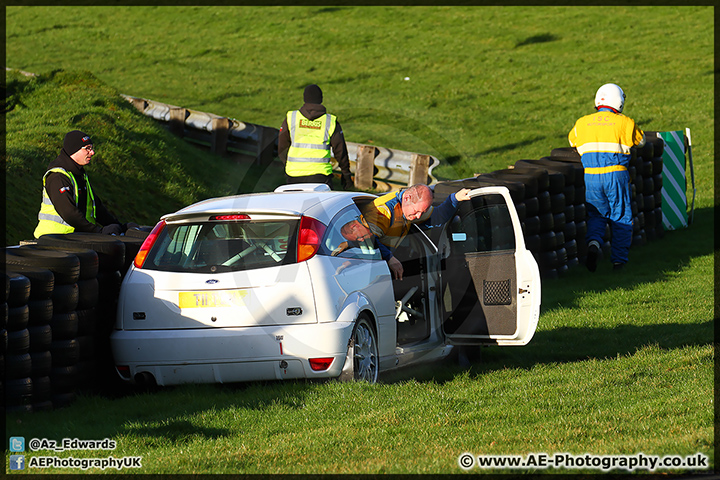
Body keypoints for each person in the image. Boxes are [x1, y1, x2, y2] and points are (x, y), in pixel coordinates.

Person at [568, 83, 646, 272]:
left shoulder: (582, 123)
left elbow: (572, 141)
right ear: (619, 101)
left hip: (591, 177)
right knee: (621, 217)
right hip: (616, 174)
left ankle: (594, 243)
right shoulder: (625, 122)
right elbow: (641, 142)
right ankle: (618, 262)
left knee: (597, 214)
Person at [358, 184, 472, 280]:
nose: (418, 216)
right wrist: (389, 258)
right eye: (417, 211)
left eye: (422, 212)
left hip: (378, 263)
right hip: (362, 264)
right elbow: (367, 239)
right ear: (407, 198)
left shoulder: (410, 207)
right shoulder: (382, 211)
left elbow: (437, 217)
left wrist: (455, 198)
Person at [34, 130, 125, 238]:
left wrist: (121, 227)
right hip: (53, 240)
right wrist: (98, 232)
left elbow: (97, 208)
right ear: (73, 150)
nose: (92, 152)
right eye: (87, 148)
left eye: (92, 148)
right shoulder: (58, 177)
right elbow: (69, 213)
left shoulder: (79, 174)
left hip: (73, 239)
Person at [278, 84, 353, 189]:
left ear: (304, 98)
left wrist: (289, 164)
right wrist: (346, 174)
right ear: (321, 99)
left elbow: (282, 146)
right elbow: (340, 151)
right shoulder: (330, 121)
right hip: (320, 176)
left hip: (294, 176)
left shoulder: (291, 118)